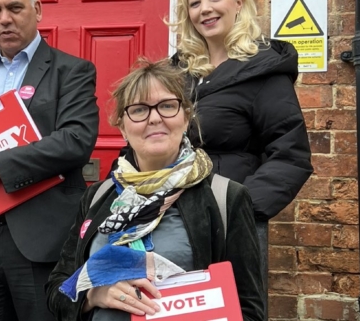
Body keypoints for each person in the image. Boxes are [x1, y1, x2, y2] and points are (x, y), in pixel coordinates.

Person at [46, 58, 265, 321]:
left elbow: (249, 309)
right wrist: (93, 296)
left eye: (167, 106)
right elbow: (57, 290)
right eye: (139, 110)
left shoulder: (225, 198)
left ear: (186, 119)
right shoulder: (98, 196)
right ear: (122, 127)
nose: (154, 118)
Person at [0, 0, 100, 319]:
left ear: (37, 10)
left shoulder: (71, 70)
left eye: (15, 8)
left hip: (42, 240)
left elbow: (75, 140)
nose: (5, 19)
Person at [170, 0, 314, 310]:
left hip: (231, 225)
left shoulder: (263, 70)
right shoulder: (176, 73)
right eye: (194, 3)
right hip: (171, 217)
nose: (204, 9)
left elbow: (290, 153)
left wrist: (241, 209)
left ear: (238, 4)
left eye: (213, 0)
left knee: (229, 311)